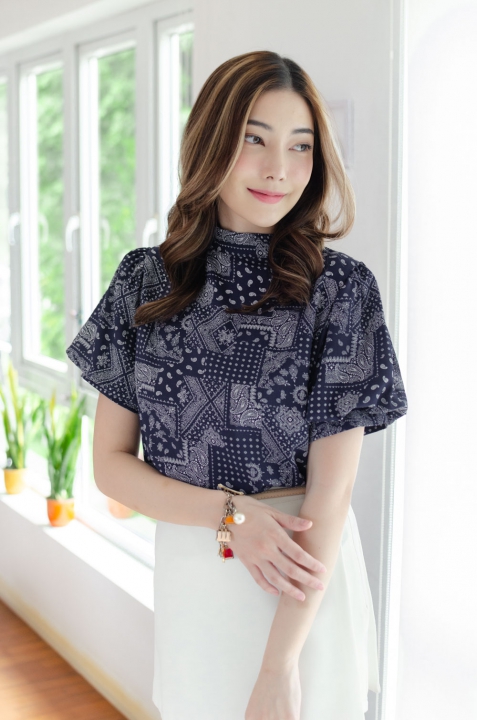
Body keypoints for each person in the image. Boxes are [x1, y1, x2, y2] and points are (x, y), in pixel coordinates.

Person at [66, 50, 408, 720]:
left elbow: (330, 494)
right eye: (255, 139)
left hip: (300, 590)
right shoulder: (145, 281)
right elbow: (110, 467)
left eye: (300, 145)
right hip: (195, 579)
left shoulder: (340, 291)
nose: (279, 167)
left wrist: (279, 669)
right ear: (211, 142)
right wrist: (232, 517)